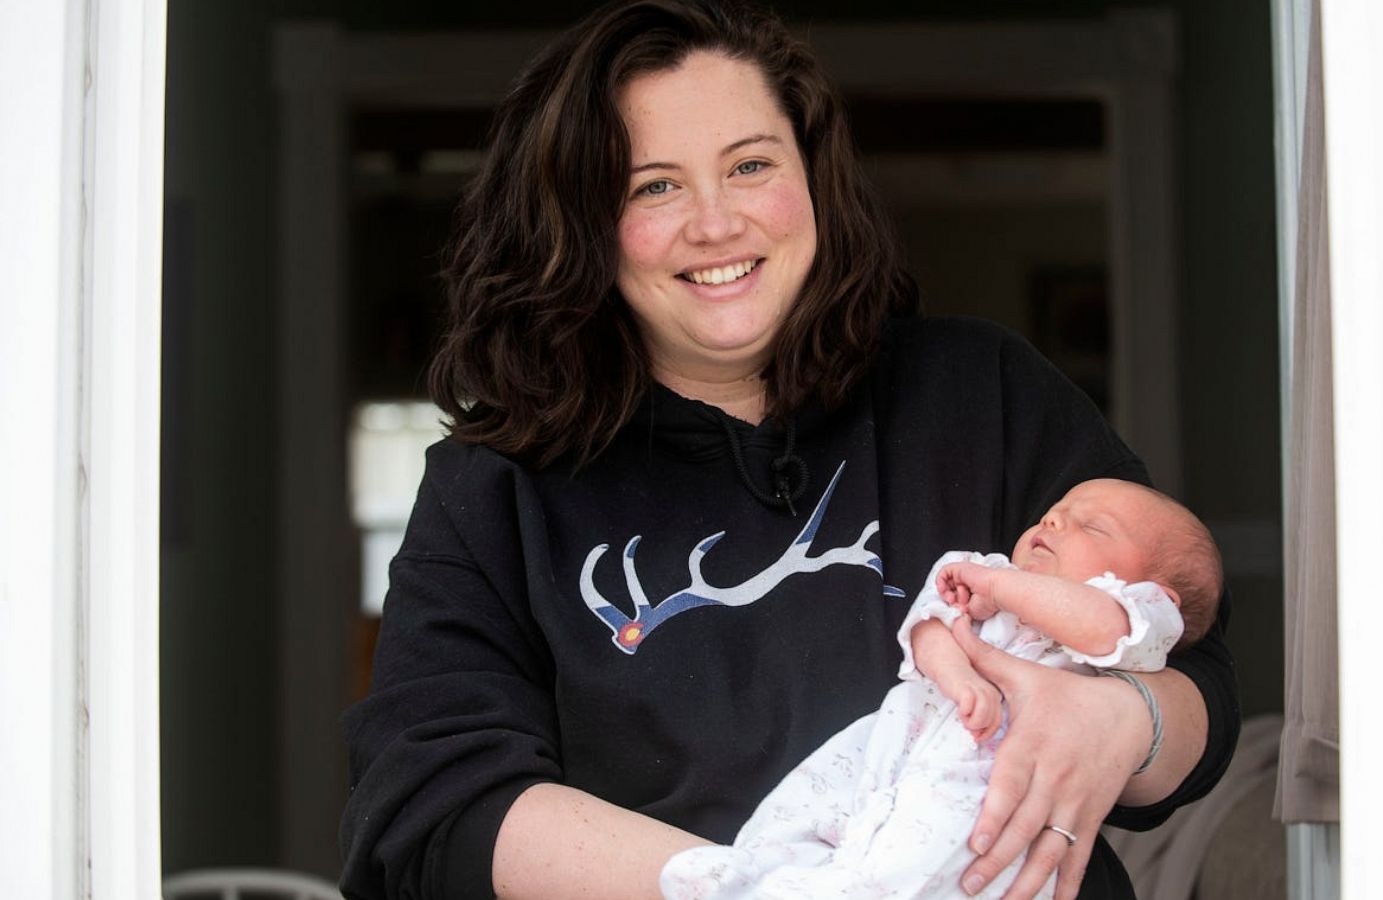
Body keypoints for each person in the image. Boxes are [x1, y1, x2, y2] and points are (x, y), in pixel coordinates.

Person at [337, 2, 1241, 898]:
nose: (717, 222)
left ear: (813, 176)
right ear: (580, 224)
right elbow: (429, 812)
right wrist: (741, 889)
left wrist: (1125, 722)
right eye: (653, 185)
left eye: (751, 165)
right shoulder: (494, 486)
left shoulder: (981, 389)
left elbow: (1195, 666)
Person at [658, 479, 1223, 898]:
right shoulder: (980, 569)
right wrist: (956, 674)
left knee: (928, 854)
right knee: (817, 795)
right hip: (899, 738)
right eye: (1055, 512)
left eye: (1092, 527)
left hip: (990, 774)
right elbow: (927, 626)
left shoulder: (1141, 620)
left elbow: (1102, 628)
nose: (1053, 523)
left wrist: (1004, 587)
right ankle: (752, 872)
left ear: (1157, 593)